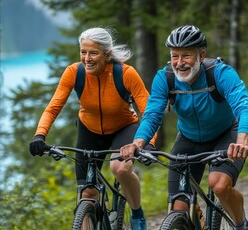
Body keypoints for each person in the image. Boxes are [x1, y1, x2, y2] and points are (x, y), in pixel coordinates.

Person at [120, 25, 248, 230]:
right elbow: (152, 115)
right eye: (175, 56)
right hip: (188, 138)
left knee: (219, 185)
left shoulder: (220, 73)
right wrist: (138, 142)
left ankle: (239, 224)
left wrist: (242, 141)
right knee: (178, 207)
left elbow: (245, 107)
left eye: (186, 56)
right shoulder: (165, 78)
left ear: (201, 55)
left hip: (226, 135)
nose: (179, 63)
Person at [29, 27, 156, 230]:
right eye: (83, 52)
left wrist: (150, 143)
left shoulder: (125, 73)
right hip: (89, 130)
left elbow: (149, 111)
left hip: (124, 128)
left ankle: (137, 213)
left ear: (107, 54)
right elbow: (53, 108)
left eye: (93, 53)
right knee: (87, 194)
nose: (87, 58)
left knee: (120, 168)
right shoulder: (74, 72)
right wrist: (39, 135)